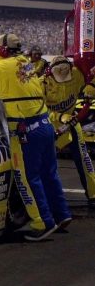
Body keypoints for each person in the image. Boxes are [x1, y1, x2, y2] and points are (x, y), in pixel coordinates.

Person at [0, 33, 72, 241]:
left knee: (27, 178)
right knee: (49, 174)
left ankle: (43, 223)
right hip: (44, 124)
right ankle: (61, 215)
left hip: (25, 131)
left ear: (3, 50)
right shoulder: (26, 63)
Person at [40, 55, 95, 207]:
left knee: (84, 160)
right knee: (47, 165)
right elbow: (38, 110)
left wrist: (92, 85)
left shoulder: (77, 74)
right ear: (50, 72)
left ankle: (93, 195)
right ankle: (47, 200)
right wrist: (59, 116)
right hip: (50, 127)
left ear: (71, 69)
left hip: (72, 123)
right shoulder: (41, 84)